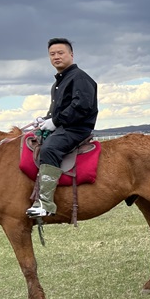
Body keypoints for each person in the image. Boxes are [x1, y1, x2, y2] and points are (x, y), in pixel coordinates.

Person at [26, 38, 99, 218]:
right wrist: (45, 120)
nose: (56, 57)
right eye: (52, 54)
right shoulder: (60, 81)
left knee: (50, 149)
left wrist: (56, 121)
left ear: (71, 55)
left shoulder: (79, 78)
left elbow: (81, 106)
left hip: (76, 129)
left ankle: (45, 203)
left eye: (61, 53)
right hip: (64, 126)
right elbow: (59, 110)